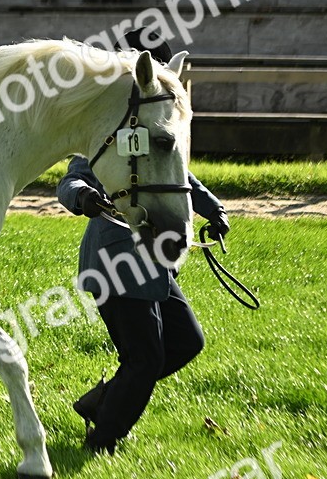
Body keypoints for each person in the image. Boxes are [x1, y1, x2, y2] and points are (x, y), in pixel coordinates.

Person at [56, 30, 230, 454]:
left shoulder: (155, 128)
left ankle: (102, 402)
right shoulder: (110, 127)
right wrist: (82, 195)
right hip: (115, 262)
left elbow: (178, 179)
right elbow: (70, 179)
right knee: (146, 359)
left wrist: (213, 209)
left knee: (187, 342)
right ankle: (102, 441)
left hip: (154, 262)